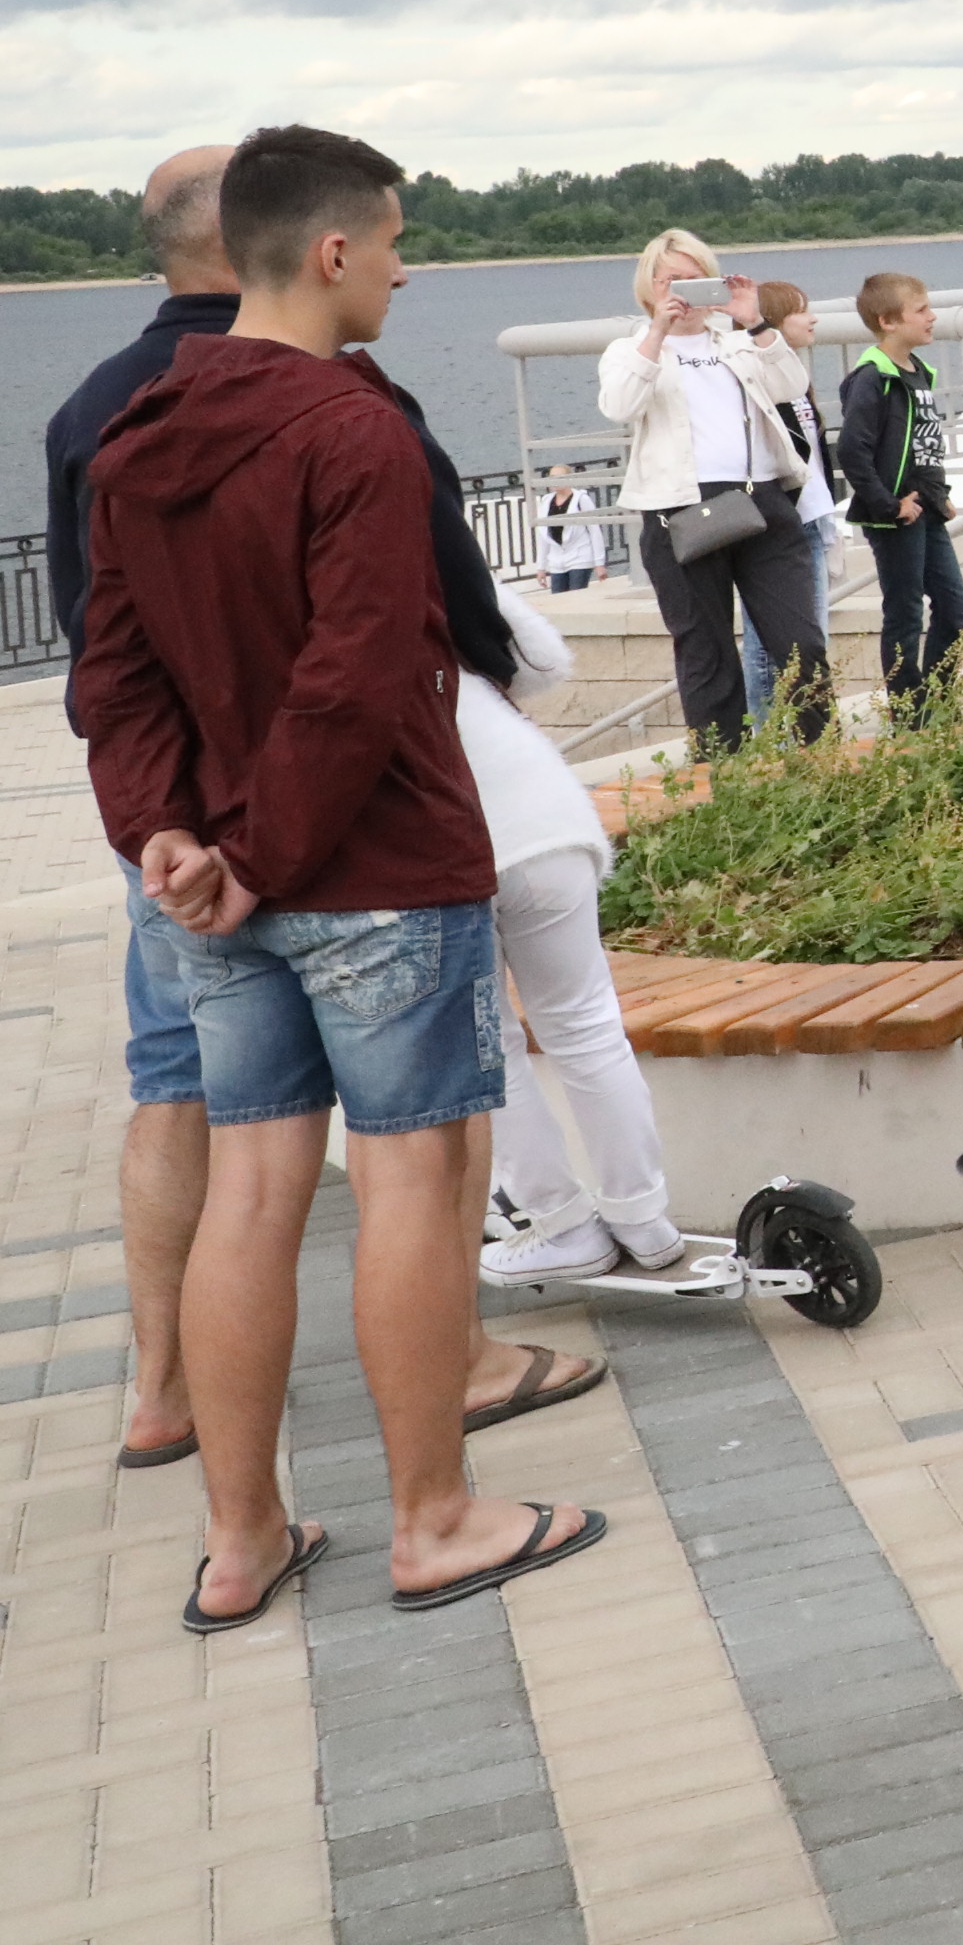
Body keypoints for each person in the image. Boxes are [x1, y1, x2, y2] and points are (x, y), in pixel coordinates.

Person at [77, 125, 609, 1623]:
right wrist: (252, 857)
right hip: (365, 866)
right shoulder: (350, 428)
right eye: (390, 241)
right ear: (329, 253)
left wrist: (168, 841)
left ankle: (241, 1543)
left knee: (251, 1185)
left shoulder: (140, 439)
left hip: (218, 889)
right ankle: (433, 1516)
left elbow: (114, 684)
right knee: (410, 1181)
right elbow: (363, 673)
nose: (399, 264)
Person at [44, 145, 240, 1475]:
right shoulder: (310, 389)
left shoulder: (91, 405)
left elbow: (90, 645)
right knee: (408, 1117)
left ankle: (161, 1387)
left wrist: (151, 818)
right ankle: (448, 1367)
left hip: (158, 816)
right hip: (309, 813)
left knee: (172, 1082)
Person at [462, 590, 693, 1290]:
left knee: (487, 1047)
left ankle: (562, 1225)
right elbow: (541, 658)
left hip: (453, 841)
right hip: (544, 817)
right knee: (588, 1027)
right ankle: (645, 1221)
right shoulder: (408, 548)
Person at [598, 227, 828, 752]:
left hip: (762, 501)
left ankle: (821, 760)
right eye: (672, 281)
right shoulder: (629, 348)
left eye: (696, 279)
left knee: (801, 643)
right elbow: (620, 404)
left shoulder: (738, 342)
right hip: (679, 512)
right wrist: (657, 333)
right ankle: (723, 772)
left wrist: (755, 322)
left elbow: (790, 387)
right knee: (706, 650)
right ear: (650, 286)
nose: (685, 292)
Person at [838, 272, 963, 703]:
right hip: (894, 516)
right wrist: (888, 504)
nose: (932, 317)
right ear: (888, 321)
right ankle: (910, 712)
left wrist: (939, 494)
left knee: (956, 608)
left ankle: (937, 698)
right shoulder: (872, 377)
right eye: (921, 310)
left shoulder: (918, 373)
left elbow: (922, 448)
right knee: (905, 612)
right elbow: (853, 451)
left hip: (925, 511)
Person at [737, 280, 848, 729]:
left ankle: (806, 735)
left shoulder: (796, 380)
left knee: (811, 638)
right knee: (768, 644)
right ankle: (770, 738)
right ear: (776, 322)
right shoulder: (756, 378)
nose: (813, 319)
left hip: (813, 519)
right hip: (782, 523)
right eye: (802, 311)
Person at [540, 466, 605, 592]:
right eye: (552, 478)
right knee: (559, 601)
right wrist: (541, 567)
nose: (555, 481)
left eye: (560, 477)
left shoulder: (581, 499)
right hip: (556, 562)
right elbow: (543, 536)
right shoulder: (546, 501)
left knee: (577, 597)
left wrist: (599, 563)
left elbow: (595, 531)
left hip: (580, 557)